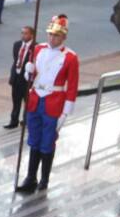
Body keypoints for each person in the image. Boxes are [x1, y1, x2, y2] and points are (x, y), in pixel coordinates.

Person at [16, 15, 79, 193]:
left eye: (57, 36)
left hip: (54, 101)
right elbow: (33, 76)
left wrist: (66, 113)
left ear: (64, 37)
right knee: (34, 140)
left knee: (47, 142)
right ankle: (30, 177)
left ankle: (44, 179)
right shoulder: (38, 49)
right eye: (50, 34)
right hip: (35, 98)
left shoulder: (70, 57)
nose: (52, 38)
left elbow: (72, 86)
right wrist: (29, 72)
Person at [6, 26, 35, 130]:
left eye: (26, 33)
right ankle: (13, 121)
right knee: (16, 101)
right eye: (22, 33)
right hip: (16, 77)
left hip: (27, 80)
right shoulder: (17, 45)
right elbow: (16, 59)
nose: (23, 35)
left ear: (32, 35)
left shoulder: (36, 47)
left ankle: (26, 120)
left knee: (27, 101)